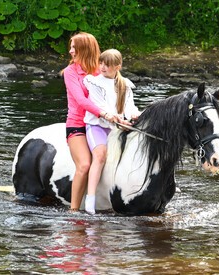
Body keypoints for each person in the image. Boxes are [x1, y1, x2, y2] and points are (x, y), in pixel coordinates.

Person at [83, 49, 141, 214]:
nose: (102, 67)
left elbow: (130, 107)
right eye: (101, 63)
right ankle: (90, 198)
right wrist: (116, 118)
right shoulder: (93, 82)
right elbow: (100, 106)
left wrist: (134, 116)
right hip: (97, 126)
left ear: (118, 67)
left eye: (107, 65)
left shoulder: (125, 85)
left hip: (117, 128)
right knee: (100, 156)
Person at [63, 32, 115, 212]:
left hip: (99, 125)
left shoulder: (101, 71)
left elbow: (116, 92)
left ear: (85, 50)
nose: (70, 51)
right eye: (71, 47)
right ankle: (74, 211)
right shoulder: (70, 73)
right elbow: (81, 101)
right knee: (84, 165)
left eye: (74, 48)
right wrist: (104, 113)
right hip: (77, 125)